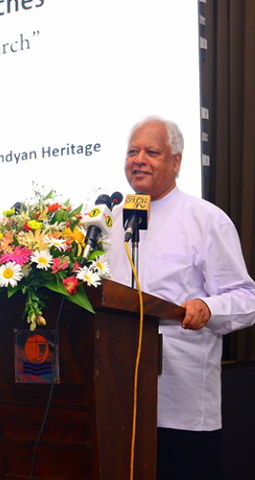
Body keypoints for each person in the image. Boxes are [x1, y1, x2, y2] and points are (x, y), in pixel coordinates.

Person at [109, 116, 255, 480]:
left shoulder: (206, 219)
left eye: (152, 152)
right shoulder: (111, 221)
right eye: (132, 151)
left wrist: (208, 306)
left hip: (181, 405)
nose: (139, 160)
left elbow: (246, 297)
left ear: (176, 162)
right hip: (117, 399)